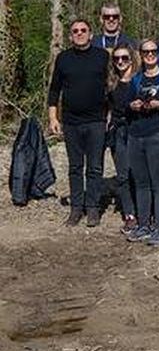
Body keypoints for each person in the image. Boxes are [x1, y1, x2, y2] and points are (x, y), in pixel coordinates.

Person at [48, 19, 110, 227]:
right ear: (70, 36)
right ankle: (76, 208)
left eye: (83, 30)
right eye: (75, 31)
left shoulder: (102, 56)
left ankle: (92, 208)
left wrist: (110, 115)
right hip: (71, 122)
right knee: (75, 167)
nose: (79, 33)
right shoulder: (63, 59)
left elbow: (112, 86)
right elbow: (54, 90)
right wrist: (53, 118)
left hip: (96, 121)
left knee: (95, 167)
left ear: (91, 34)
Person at [125, 38, 159, 245]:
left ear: (158, 53)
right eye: (145, 52)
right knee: (141, 184)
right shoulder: (136, 80)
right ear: (140, 54)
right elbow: (126, 107)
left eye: (153, 51)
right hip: (136, 135)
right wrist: (134, 105)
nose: (149, 55)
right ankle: (143, 224)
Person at [107, 44, 138, 231]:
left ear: (132, 59)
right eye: (117, 58)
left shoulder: (139, 80)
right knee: (123, 175)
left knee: (139, 174)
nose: (120, 62)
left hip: (137, 130)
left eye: (124, 58)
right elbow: (107, 108)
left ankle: (144, 211)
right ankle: (129, 213)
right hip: (118, 132)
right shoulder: (111, 83)